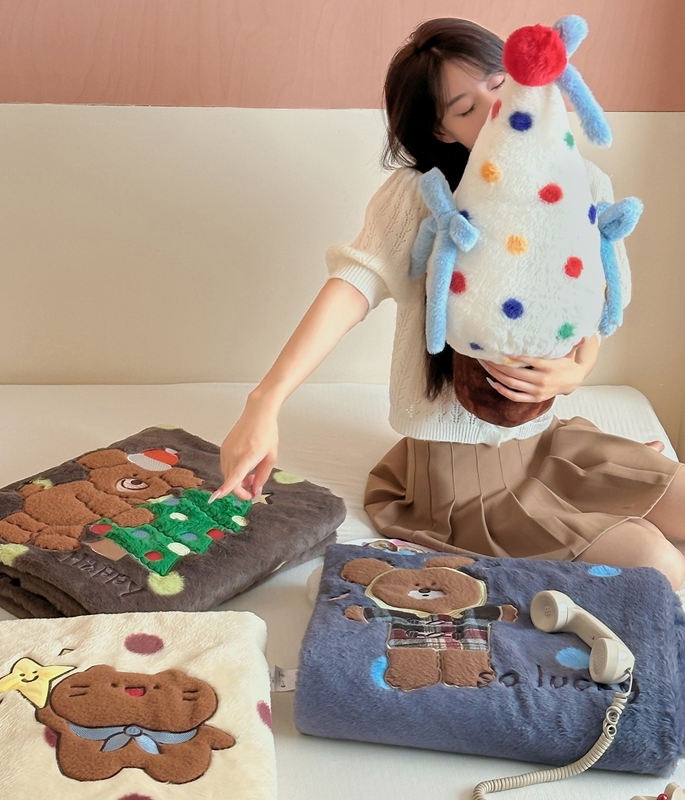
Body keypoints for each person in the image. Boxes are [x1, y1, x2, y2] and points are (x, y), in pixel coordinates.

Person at [214, 18, 685, 589]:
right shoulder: (426, 197)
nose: (495, 107)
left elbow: (592, 297)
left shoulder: (581, 180)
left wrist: (577, 368)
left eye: (499, 83)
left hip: (548, 440)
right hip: (464, 478)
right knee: (660, 565)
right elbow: (357, 281)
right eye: (466, 108)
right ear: (441, 130)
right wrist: (264, 401)